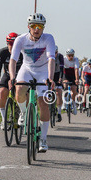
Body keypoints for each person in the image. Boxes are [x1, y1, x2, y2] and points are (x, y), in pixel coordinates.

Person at [9, 13, 57, 153]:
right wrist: (13, 77)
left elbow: (51, 59)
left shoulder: (48, 38)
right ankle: (23, 113)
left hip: (43, 72)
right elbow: (13, 60)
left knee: (43, 103)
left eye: (40, 26)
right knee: (20, 89)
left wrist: (50, 77)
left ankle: (43, 139)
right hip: (27, 69)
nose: (37, 29)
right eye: (33, 26)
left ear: (43, 27)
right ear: (28, 27)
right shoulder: (21, 39)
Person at [0, 32, 21, 129]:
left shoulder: (23, 53)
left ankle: (22, 112)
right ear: (7, 43)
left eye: (14, 44)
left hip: (20, 76)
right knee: (1, 92)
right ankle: (4, 120)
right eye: (10, 44)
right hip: (8, 75)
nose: (12, 47)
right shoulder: (2, 53)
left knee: (22, 91)